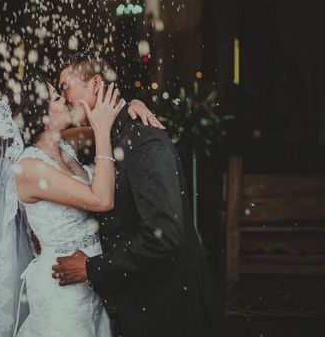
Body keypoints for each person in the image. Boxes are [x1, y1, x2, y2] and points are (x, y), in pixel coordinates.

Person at [0, 70, 159, 336]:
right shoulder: (29, 168)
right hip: (59, 286)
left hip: (87, 282)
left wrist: (132, 105)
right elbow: (101, 199)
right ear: (41, 114)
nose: (65, 99)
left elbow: (115, 124)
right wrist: (100, 130)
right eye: (56, 98)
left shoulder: (65, 144)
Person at [52, 52, 220, 336]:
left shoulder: (142, 138)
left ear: (95, 85)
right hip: (146, 301)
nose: (63, 96)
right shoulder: (111, 134)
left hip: (169, 308)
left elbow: (164, 236)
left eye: (65, 86)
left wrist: (93, 269)